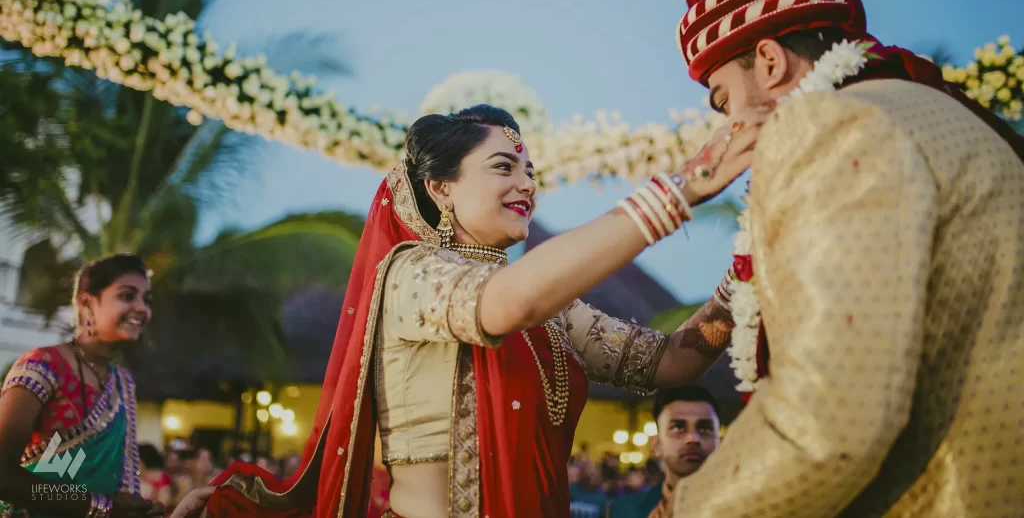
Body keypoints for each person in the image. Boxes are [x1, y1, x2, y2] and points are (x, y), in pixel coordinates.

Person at [186, 102, 767, 518]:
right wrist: (683, 189)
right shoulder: (412, 274)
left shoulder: (540, 304)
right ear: (441, 186)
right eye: (503, 167)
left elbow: (669, 362)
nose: (526, 185)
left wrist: (746, 274)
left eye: (531, 172)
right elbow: (510, 303)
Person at [671, 0, 1024, 517]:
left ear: (768, 61)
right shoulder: (934, 112)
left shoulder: (827, 127)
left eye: (722, 100)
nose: (727, 125)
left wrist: (688, 510)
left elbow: (833, 418)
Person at [0, 254, 159, 518]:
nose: (142, 308)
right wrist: (100, 506)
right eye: (127, 296)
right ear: (87, 304)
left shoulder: (123, 383)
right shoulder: (43, 365)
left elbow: (123, 490)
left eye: (147, 300)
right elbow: (2, 478)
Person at [609, 385, 721, 518]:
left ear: (721, 442)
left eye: (705, 429)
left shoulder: (744, 507)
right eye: (678, 428)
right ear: (656, 445)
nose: (693, 438)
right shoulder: (623, 511)